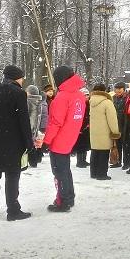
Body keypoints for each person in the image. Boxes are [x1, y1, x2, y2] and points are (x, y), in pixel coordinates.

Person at [0, 65, 33, 221]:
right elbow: (23, 120)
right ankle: (13, 210)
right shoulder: (19, 93)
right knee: (12, 176)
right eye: (22, 77)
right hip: (13, 142)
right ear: (16, 78)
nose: (23, 80)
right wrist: (28, 143)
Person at [42, 66, 86, 212]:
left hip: (59, 140)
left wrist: (46, 141)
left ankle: (63, 201)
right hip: (70, 137)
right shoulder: (79, 95)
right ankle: (69, 197)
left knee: (59, 172)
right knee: (65, 170)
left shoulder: (62, 97)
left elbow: (55, 122)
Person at [89, 83, 120, 180]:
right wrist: (115, 132)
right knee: (103, 153)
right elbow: (112, 119)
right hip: (104, 133)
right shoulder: (107, 102)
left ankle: (93, 173)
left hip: (94, 133)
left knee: (95, 152)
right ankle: (101, 174)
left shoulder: (91, 101)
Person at [25, 85, 44, 168]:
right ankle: (34, 162)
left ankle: (29, 161)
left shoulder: (28, 101)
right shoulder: (39, 101)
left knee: (28, 145)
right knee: (33, 144)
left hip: (29, 124)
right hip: (36, 125)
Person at [110, 82, 127, 168]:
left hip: (125, 123)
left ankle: (126, 162)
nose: (118, 90)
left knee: (125, 144)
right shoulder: (113, 98)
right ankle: (118, 161)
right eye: (116, 89)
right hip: (115, 124)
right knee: (117, 144)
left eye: (120, 89)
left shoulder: (127, 98)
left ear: (124, 89)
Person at [73, 88, 91, 168]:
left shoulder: (89, 104)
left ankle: (83, 160)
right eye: (85, 95)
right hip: (79, 128)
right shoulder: (78, 104)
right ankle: (79, 161)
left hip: (87, 128)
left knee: (85, 145)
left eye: (87, 95)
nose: (86, 97)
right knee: (80, 146)